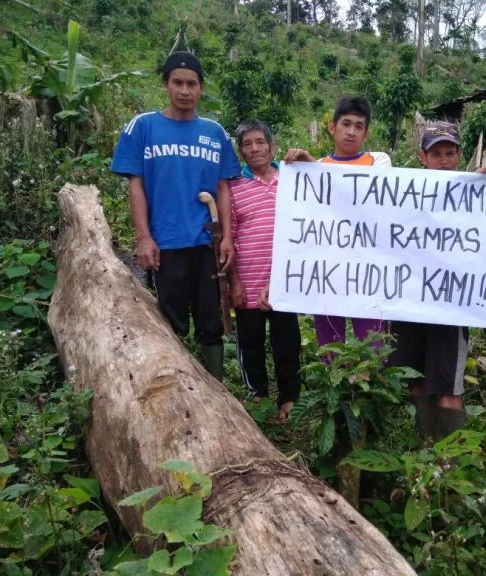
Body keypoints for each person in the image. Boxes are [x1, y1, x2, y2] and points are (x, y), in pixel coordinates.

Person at [110, 51, 241, 381]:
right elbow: (136, 185)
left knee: (212, 322)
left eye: (192, 84)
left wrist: (227, 237)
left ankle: (217, 388)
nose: (185, 90)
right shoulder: (143, 127)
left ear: (201, 88)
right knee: (170, 322)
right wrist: (143, 237)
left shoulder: (215, 133)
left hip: (206, 241)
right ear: (166, 85)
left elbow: (223, 187)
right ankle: (175, 386)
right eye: (178, 83)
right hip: (165, 243)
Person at [390, 121, 486, 441]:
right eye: (436, 153)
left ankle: (448, 467)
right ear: (422, 157)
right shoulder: (402, 191)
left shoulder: (474, 194)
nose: (443, 159)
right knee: (414, 380)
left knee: (448, 387)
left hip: (451, 307)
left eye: (450, 152)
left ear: (459, 154)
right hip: (409, 303)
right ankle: (425, 450)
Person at [284, 95, 391, 348]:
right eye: (346, 124)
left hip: (368, 271)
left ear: (366, 133)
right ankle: (333, 386)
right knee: (330, 344)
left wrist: (314, 170)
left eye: (359, 126)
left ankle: (371, 384)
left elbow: (365, 198)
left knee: (374, 345)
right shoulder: (316, 165)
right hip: (327, 271)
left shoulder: (379, 161)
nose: (351, 131)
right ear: (332, 128)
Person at [228, 119, 301, 422]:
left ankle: (290, 399)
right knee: (250, 343)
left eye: (260, 142)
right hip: (247, 282)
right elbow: (228, 239)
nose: (255, 148)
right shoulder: (233, 188)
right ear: (241, 151)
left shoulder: (294, 180)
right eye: (247, 144)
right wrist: (233, 282)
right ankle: (258, 397)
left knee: (287, 342)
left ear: (272, 146)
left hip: (284, 284)